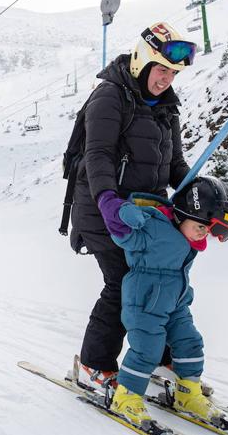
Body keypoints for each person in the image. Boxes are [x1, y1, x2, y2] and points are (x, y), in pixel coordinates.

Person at [71, 21, 196, 390]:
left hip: (146, 216)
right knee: (123, 283)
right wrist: (108, 199)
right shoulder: (110, 96)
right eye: (162, 69)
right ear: (142, 62)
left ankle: (157, 360)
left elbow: (174, 165)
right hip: (102, 211)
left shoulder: (167, 108)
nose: (166, 80)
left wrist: (197, 193)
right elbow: (98, 154)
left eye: (173, 73)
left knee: (161, 285)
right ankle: (94, 365)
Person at [102, 177, 228, 430]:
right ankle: (126, 396)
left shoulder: (189, 237)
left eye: (208, 229)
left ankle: (188, 394)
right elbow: (118, 229)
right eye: (201, 225)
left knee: (191, 342)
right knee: (147, 349)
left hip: (176, 303)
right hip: (145, 302)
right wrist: (117, 209)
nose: (204, 232)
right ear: (184, 213)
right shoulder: (152, 226)